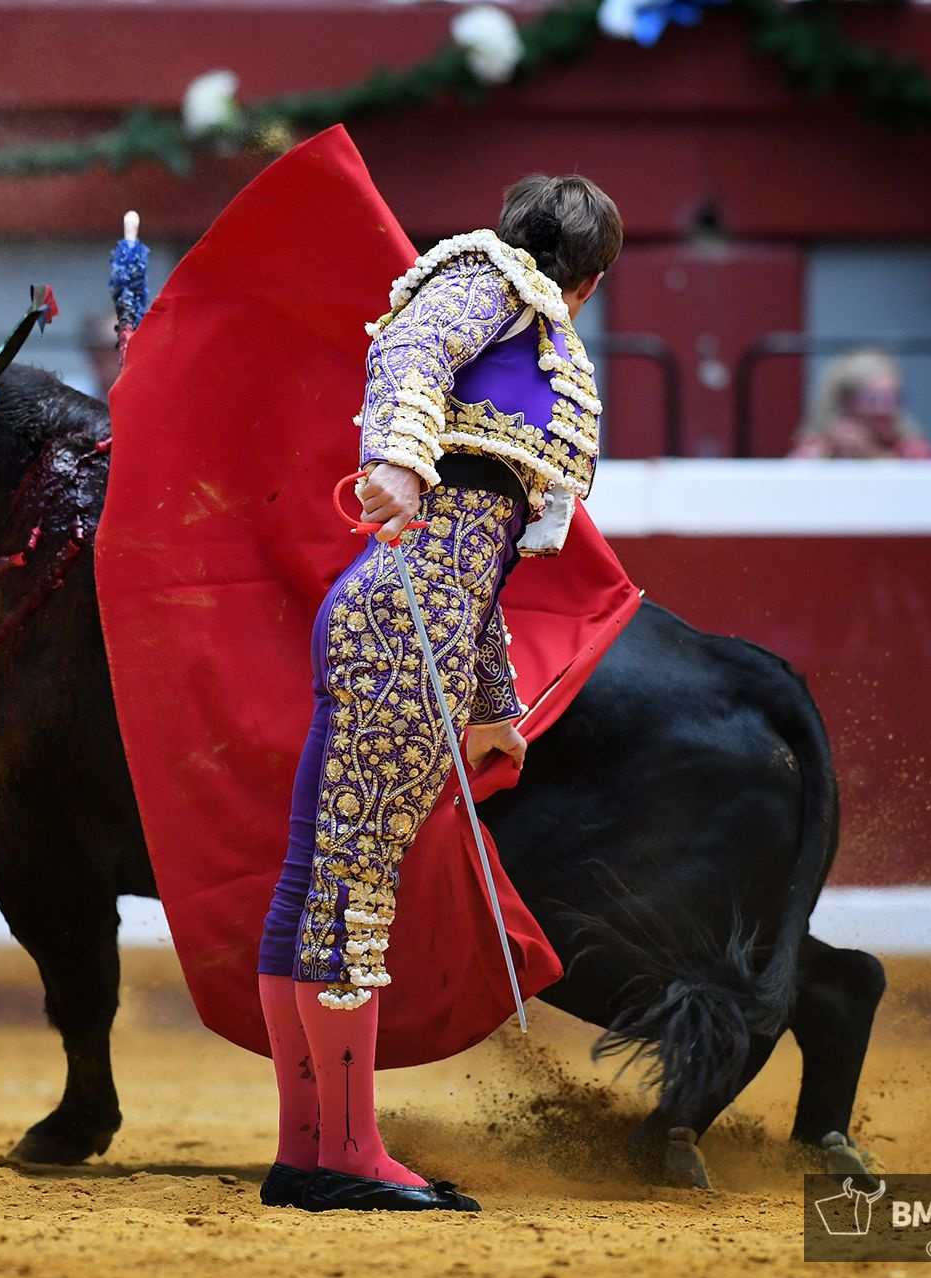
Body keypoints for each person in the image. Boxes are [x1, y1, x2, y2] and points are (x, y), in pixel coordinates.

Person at [251, 174, 621, 1213]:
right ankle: (349, 1154)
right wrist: (400, 462)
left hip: (417, 622)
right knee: (349, 884)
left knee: (320, 878)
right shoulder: (489, 278)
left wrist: (490, 697)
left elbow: (483, 567)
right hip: (401, 618)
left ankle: (307, 1150)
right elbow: (408, 352)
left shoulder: (516, 323)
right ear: (586, 281)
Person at [788, 348, 931, 460]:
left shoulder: (911, 448)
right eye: (873, 400)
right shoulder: (820, 444)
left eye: (893, 399)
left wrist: (873, 455)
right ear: (845, 403)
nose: (884, 410)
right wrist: (823, 455)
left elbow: (928, 489)